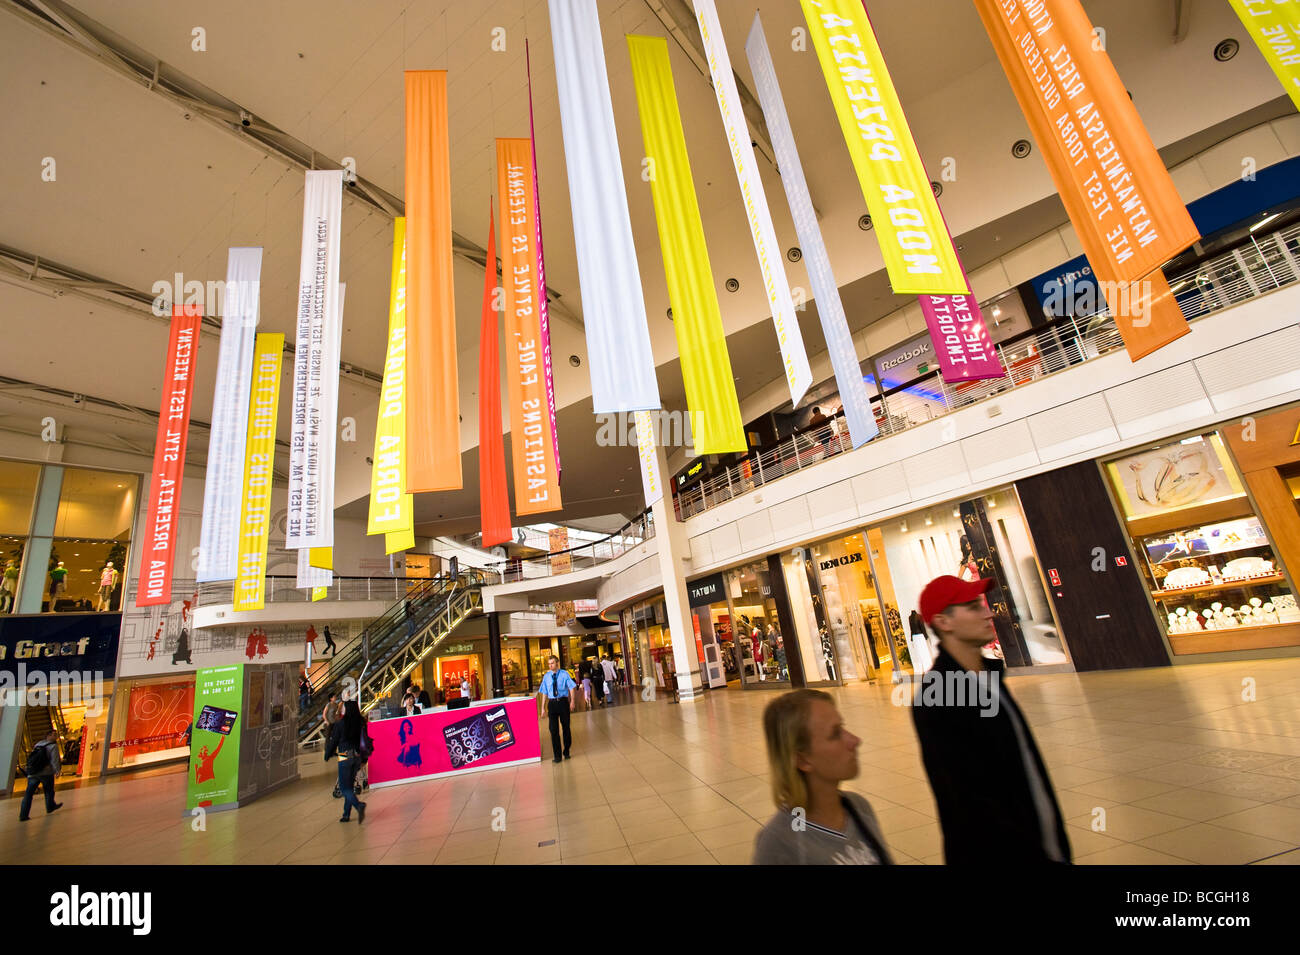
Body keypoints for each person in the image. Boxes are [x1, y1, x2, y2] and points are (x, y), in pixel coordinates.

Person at [910, 575, 1071, 865]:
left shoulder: (989, 676)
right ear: (944, 622)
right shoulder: (939, 697)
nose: (988, 612)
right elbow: (970, 805)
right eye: (972, 607)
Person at [752, 690, 891, 865]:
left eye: (843, 727)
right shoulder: (781, 842)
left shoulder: (859, 808)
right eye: (835, 734)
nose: (855, 740)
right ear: (802, 759)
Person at [325, 701, 366, 824]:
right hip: (357, 756)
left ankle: (359, 805)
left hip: (344, 755)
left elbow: (334, 741)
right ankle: (346, 814)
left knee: (344, 788)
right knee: (349, 785)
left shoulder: (340, 724)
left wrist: (327, 754)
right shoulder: (361, 722)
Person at [536, 655, 576, 763]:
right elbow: (544, 692)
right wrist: (543, 708)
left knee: (566, 727)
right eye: (549, 663)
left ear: (557, 663)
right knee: (553, 730)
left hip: (563, 702)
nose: (550, 665)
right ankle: (557, 756)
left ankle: (566, 750)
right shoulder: (546, 676)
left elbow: (571, 687)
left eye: (552, 663)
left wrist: (572, 701)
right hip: (552, 704)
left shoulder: (564, 674)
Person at [18, 730, 63, 821]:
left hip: (34, 772)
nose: (56, 737)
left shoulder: (38, 744)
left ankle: (23, 815)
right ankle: (50, 806)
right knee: (49, 791)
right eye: (54, 735)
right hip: (46, 773)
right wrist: (57, 770)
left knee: (28, 794)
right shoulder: (53, 746)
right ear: (48, 736)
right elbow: (54, 760)